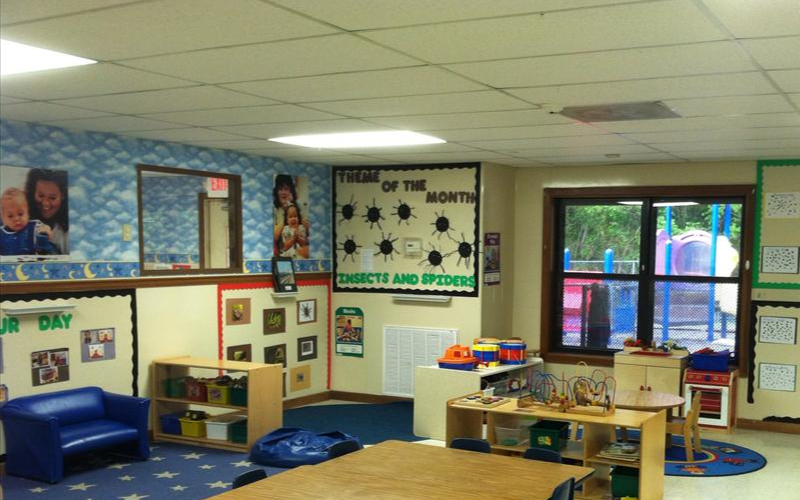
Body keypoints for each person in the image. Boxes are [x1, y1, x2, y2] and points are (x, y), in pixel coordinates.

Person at [0, 187, 57, 256]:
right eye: (10, 216)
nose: (16, 219)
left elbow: (46, 233)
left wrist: (45, 231)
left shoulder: (35, 227)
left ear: (27, 212)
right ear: (3, 218)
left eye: (20, 214)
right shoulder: (1, 234)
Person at [25, 168, 69, 254]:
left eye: (52, 198)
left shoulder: (68, 231)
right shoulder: (20, 217)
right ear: (33, 192)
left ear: (63, 196)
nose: (45, 203)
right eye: (40, 195)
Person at [273, 174, 309, 258]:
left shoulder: (299, 206)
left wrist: (292, 208)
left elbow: (308, 227)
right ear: (276, 191)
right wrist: (286, 211)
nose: (283, 192)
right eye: (280, 189)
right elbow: (275, 236)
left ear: (291, 191)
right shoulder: (274, 209)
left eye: (286, 189)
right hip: (284, 250)